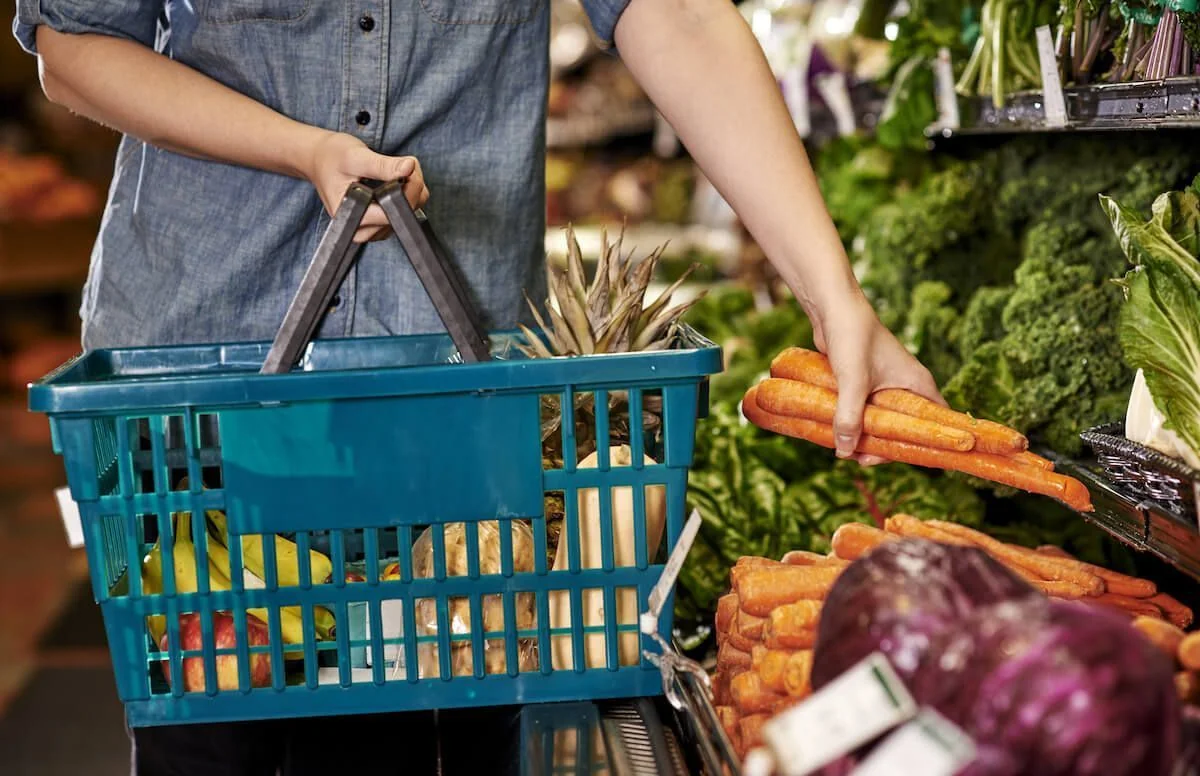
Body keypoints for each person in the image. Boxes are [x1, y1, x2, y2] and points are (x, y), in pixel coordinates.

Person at [13, 0, 943, 773]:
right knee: (217, 736)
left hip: (448, 399)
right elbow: (72, 45)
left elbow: (679, 17)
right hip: (197, 389)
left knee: (446, 728)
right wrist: (298, 150)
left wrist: (833, 296)